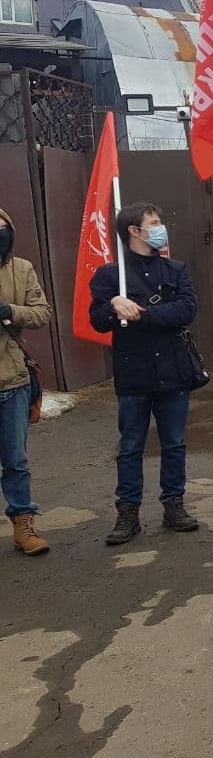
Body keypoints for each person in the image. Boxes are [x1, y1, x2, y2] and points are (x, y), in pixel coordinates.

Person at [89, 202, 200, 544]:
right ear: (134, 231)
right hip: (133, 373)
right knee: (130, 447)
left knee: (174, 443)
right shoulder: (111, 276)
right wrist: (113, 305)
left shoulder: (175, 269)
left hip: (173, 370)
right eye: (153, 223)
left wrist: (143, 314)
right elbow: (96, 320)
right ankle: (127, 512)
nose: (160, 227)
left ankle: (173, 504)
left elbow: (187, 309)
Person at [0, 208, 53, 555]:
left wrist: (11, 311)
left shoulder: (22, 268)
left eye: (2, 228)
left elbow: (42, 313)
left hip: (12, 381)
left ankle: (23, 523)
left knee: (15, 460)